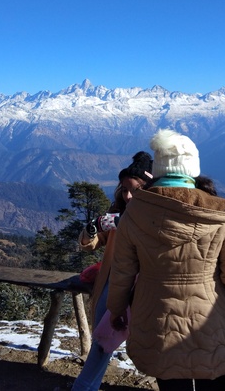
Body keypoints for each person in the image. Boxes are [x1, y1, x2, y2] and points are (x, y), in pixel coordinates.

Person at [107, 129, 225, 391]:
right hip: (213, 320)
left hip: (156, 318)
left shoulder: (134, 211)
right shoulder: (220, 214)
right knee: (216, 379)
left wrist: (116, 309)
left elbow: (122, 269)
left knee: (171, 381)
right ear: (192, 169)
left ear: (158, 170)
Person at [72, 151, 154, 391]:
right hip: (112, 282)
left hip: (144, 287)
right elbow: (91, 245)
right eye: (124, 189)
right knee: (103, 339)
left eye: (135, 190)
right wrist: (92, 228)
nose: (128, 196)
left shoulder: (158, 215)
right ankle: (85, 387)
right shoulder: (117, 212)